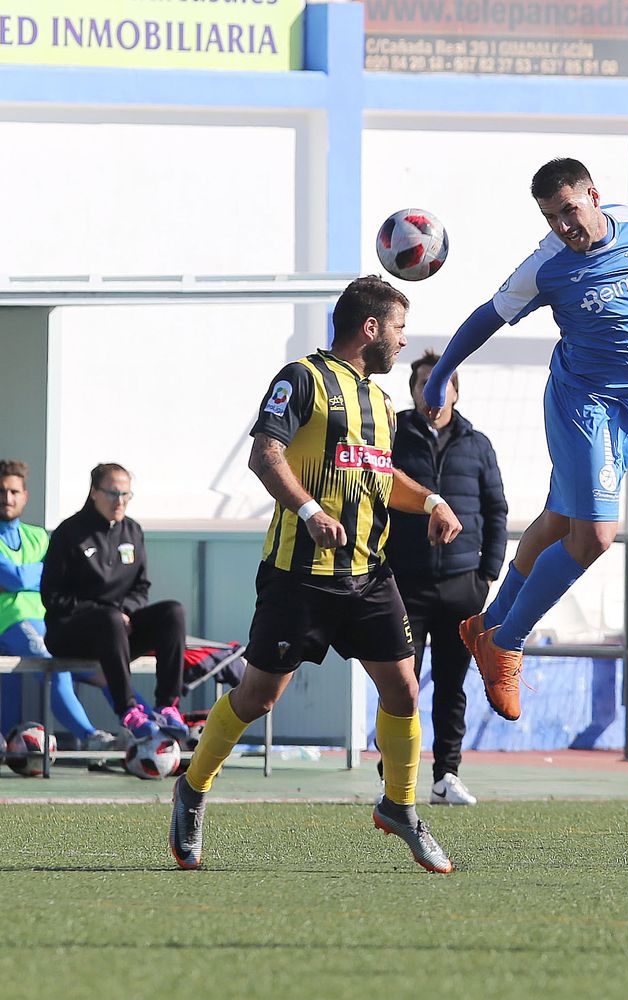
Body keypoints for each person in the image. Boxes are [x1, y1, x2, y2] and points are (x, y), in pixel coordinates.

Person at [169, 275, 463, 873]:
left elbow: (380, 478)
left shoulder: (381, 403)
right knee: (258, 697)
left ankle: (400, 805)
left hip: (369, 575)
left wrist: (430, 501)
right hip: (299, 575)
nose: (405, 342)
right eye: (401, 329)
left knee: (404, 688)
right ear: (371, 328)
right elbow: (265, 453)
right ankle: (192, 789)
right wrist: (308, 511)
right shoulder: (301, 378)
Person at [421, 157, 628, 722]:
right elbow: (488, 315)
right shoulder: (547, 264)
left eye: (569, 211)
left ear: (593, 195)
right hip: (581, 402)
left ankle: (486, 624)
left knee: (560, 522)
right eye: (551, 217)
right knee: (596, 537)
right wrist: (440, 375)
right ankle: (508, 641)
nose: (564, 225)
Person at [387, 350, 508, 806]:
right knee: (401, 682)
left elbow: (496, 510)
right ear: (414, 391)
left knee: (453, 684)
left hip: (462, 585)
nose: (431, 393)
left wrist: (486, 574)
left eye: (441, 384)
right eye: (422, 384)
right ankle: (394, 776)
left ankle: (446, 775)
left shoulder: (477, 445)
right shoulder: (393, 436)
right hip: (404, 584)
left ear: (455, 391)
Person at [41, 462, 189, 743]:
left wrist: (126, 612)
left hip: (119, 631)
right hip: (71, 633)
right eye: (112, 493)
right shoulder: (68, 533)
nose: (120, 501)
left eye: (126, 495)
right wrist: (106, 613)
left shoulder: (132, 531)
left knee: (173, 612)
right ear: (94, 492)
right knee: (108, 619)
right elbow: (52, 596)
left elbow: (141, 587)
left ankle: (168, 705)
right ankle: (128, 710)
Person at [0, 459, 116, 751]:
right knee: (54, 667)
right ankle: (90, 737)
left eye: (14, 492)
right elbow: (14, 578)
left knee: (105, 669)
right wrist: (36, 572)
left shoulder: (39, 536)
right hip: (10, 623)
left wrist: (24, 575)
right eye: (2, 492)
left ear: (25, 495)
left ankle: (148, 728)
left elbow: (52, 574)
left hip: (47, 621)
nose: (7, 498)